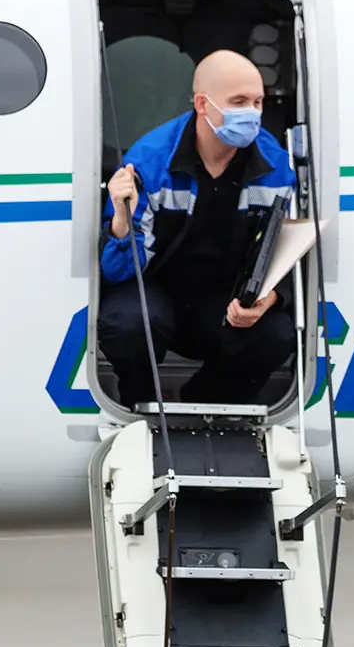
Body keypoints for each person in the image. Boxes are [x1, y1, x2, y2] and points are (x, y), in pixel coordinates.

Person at [97, 49, 296, 409]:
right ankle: (141, 410)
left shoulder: (276, 166)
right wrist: (121, 221)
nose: (251, 113)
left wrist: (271, 296)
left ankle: (208, 402)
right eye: (239, 101)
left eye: (258, 101)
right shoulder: (150, 161)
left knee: (276, 334)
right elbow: (119, 271)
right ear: (203, 104)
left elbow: (280, 249)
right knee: (130, 324)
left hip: (223, 297)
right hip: (158, 291)